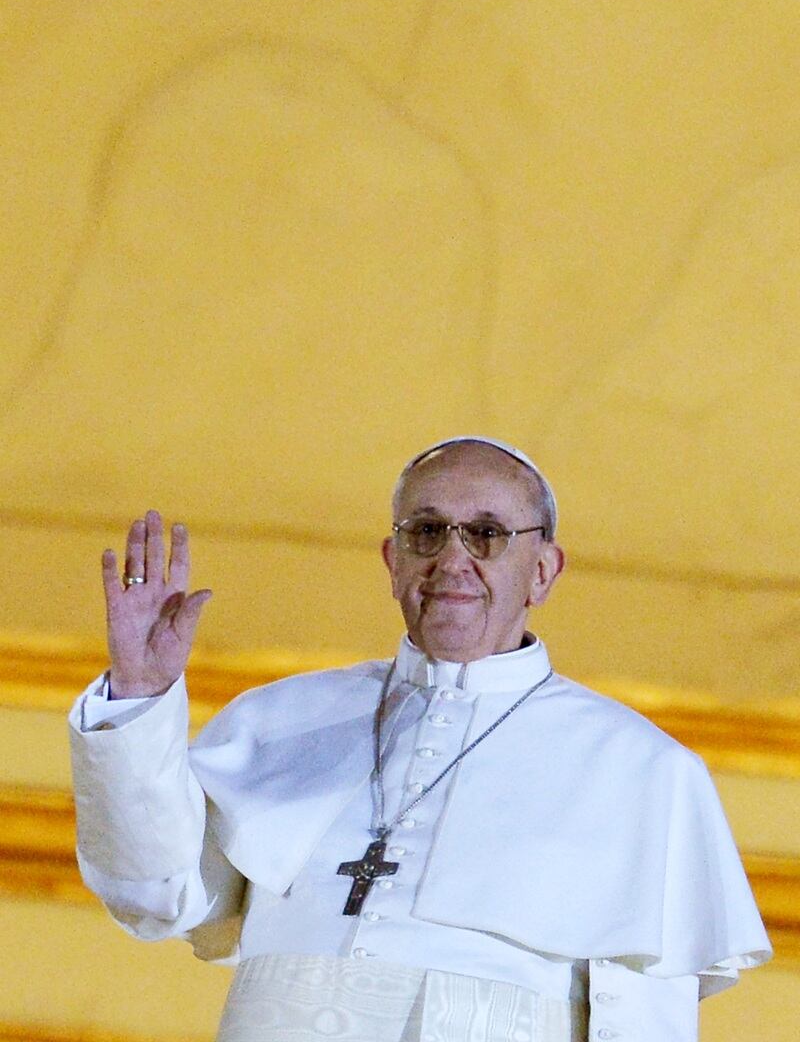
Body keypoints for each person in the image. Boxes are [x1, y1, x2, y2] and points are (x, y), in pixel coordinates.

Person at [69, 436, 771, 1042]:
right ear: (392, 559)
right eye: (426, 532)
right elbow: (151, 895)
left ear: (544, 570)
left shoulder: (641, 769)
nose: (452, 559)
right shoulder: (279, 720)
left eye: (487, 534)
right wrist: (139, 697)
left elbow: (647, 1014)